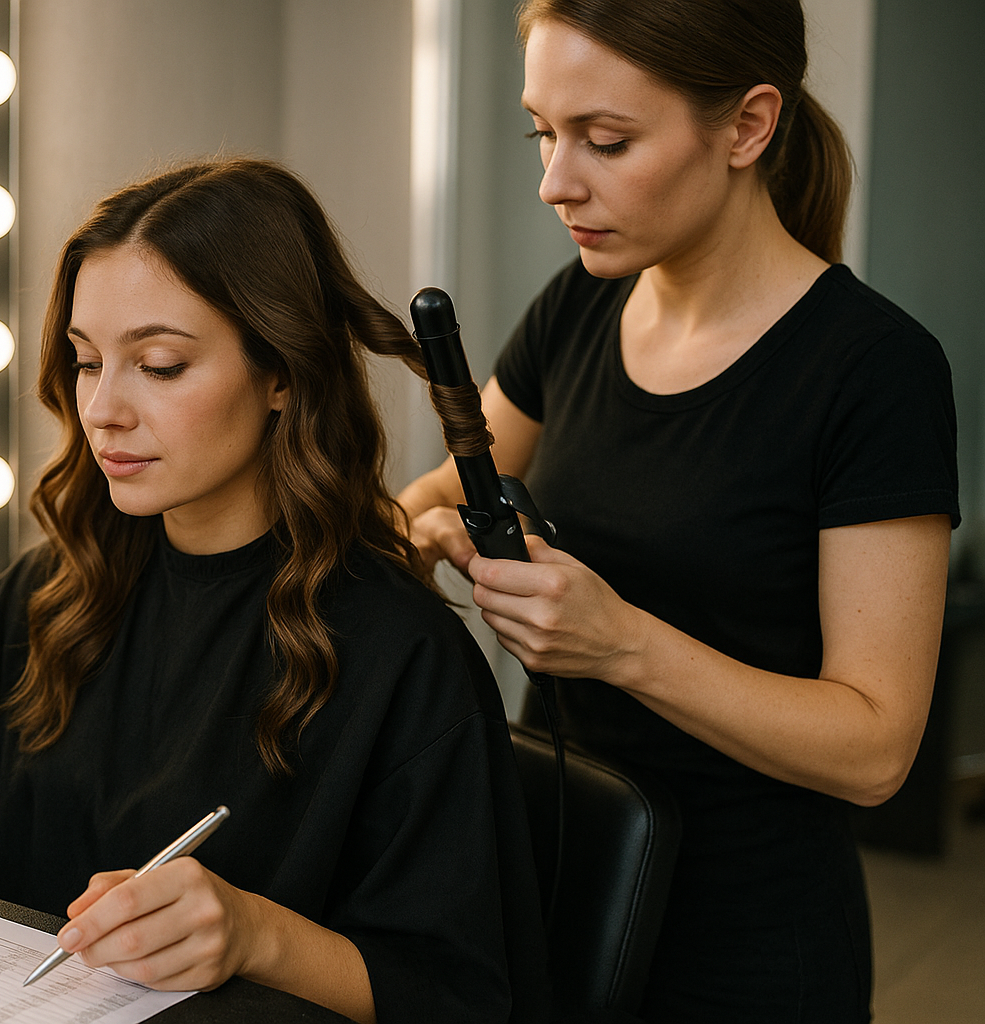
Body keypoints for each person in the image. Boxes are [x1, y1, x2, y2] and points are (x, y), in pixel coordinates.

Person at [0, 158, 552, 1023]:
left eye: (159, 365)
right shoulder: (58, 587)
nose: (104, 410)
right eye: (87, 362)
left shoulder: (402, 656)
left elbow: (460, 993)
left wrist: (255, 935)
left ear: (283, 374)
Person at [398, 1, 958, 1021]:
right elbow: (443, 486)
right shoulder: (578, 306)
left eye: (606, 141)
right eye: (545, 132)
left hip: (744, 947)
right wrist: (429, 531)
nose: (556, 182)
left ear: (747, 126)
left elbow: (876, 748)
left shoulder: (875, 372)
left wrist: (619, 644)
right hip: (556, 883)